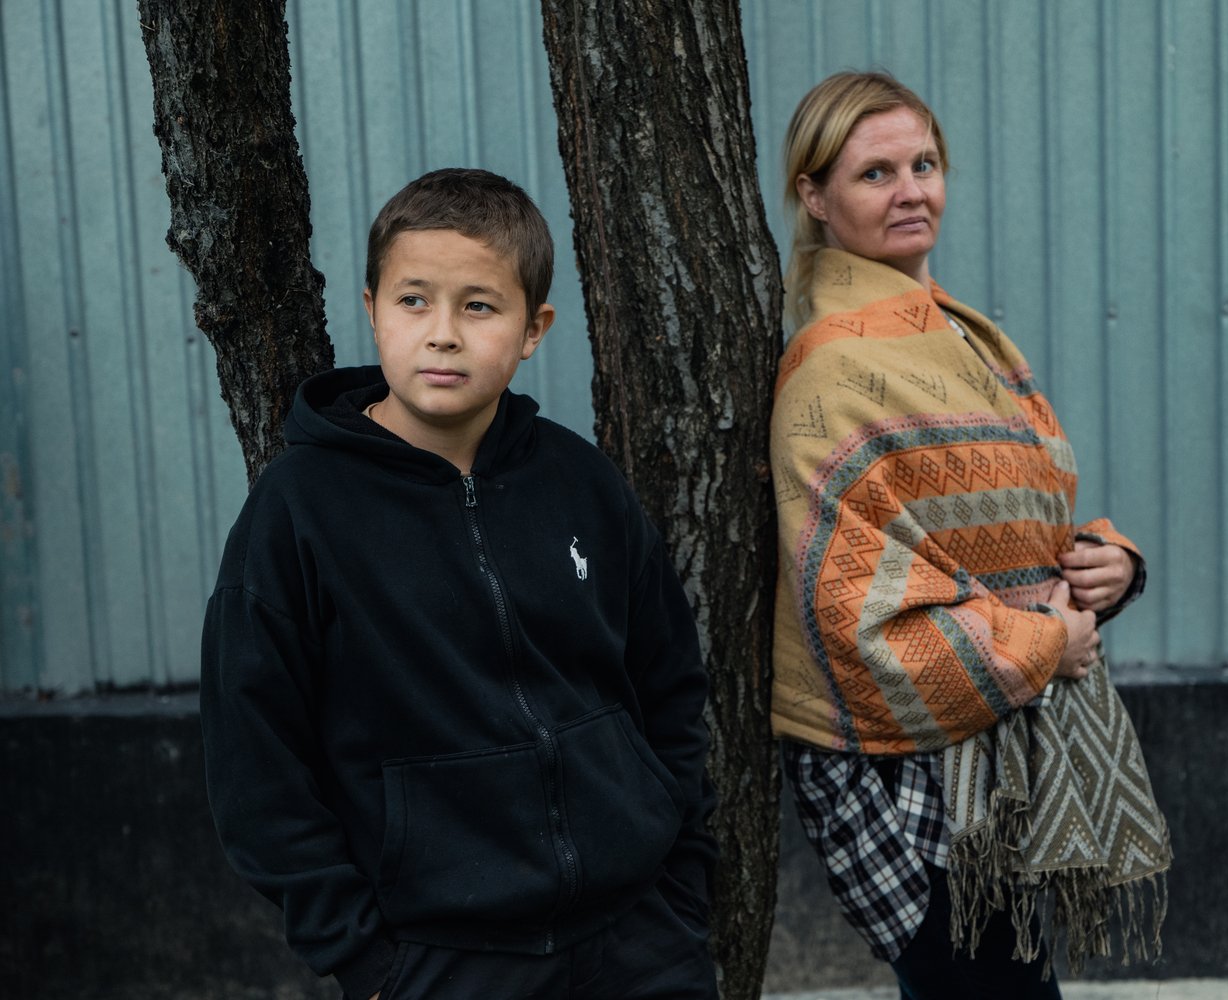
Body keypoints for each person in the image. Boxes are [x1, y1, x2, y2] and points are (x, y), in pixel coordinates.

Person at [200, 168, 717, 1000]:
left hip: (640, 943)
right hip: (440, 958)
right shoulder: (299, 511)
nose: (442, 335)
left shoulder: (580, 481)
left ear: (533, 328)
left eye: (479, 306)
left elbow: (669, 683)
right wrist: (364, 961)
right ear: (372, 309)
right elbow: (254, 758)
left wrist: (680, 882)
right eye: (414, 301)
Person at [770, 72, 1171, 999]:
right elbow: (858, 618)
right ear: (815, 196)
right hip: (903, 769)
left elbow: (1007, 515)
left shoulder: (955, 333)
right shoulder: (834, 370)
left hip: (997, 742)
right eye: (876, 174)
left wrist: (1110, 563)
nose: (912, 190)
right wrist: (1049, 640)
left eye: (925, 164)